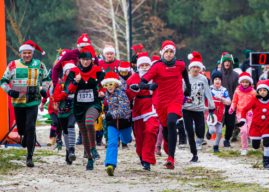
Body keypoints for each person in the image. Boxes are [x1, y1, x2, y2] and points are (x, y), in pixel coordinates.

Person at [141, 40, 191, 169]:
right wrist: (149, 85)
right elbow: (142, 81)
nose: (169, 54)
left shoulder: (180, 64)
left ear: (174, 53)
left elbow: (185, 73)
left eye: (171, 52)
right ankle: (167, 144)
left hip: (175, 99)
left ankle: (171, 158)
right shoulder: (157, 66)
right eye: (167, 52)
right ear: (162, 52)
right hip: (160, 101)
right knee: (166, 127)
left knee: (171, 122)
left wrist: (188, 87)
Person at [0, 40, 48, 167]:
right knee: (22, 129)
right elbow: (3, 81)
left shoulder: (40, 65)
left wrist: (44, 89)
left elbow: (47, 79)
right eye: (24, 53)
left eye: (29, 53)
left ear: (32, 53)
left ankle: (29, 157)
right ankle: (23, 136)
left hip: (33, 101)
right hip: (18, 103)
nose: (27, 55)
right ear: (20, 54)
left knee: (30, 126)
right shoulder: (12, 65)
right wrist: (9, 91)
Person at [64, 46, 104, 170]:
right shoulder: (74, 71)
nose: (85, 62)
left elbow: (105, 83)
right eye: (83, 59)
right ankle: (90, 159)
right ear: (79, 60)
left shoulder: (97, 70)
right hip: (79, 106)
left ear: (91, 60)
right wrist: (75, 82)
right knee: (84, 133)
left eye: (87, 59)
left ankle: (93, 149)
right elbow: (67, 90)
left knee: (89, 122)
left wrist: (102, 91)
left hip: (93, 104)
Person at [126, 52, 159, 171]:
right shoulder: (133, 78)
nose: (145, 67)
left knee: (151, 131)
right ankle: (141, 154)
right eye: (142, 65)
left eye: (147, 65)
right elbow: (127, 96)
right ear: (138, 66)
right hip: (138, 108)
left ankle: (147, 159)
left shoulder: (155, 76)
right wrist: (133, 91)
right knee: (139, 136)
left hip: (152, 108)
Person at [182, 51, 215, 161]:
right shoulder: (185, 78)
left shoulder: (203, 79)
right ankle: (194, 154)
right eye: (193, 67)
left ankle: (199, 141)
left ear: (200, 68)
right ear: (189, 68)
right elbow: (180, 92)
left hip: (199, 108)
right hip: (186, 108)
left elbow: (208, 92)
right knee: (189, 131)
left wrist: (211, 105)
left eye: (197, 67)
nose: (195, 69)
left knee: (200, 131)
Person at [102, 72, 132, 176]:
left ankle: (126, 139)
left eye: (111, 84)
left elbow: (125, 109)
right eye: (107, 84)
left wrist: (112, 114)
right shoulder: (106, 93)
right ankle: (110, 164)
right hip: (112, 122)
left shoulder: (121, 93)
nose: (109, 87)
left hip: (124, 121)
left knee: (126, 139)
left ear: (116, 84)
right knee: (112, 142)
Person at [237, 80, 269, 169]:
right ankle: (258, 144)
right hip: (256, 126)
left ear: (267, 91)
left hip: (267, 126)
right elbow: (244, 109)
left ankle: (266, 161)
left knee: (267, 143)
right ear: (258, 92)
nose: (262, 92)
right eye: (261, 90)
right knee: (255, 145)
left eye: (265, 90)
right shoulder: (255, 100)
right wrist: (243, 120)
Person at [53, 60, 77, 165]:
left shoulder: (77, 82)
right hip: (62, 111)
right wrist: (66, 93)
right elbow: (56, 97)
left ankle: (72, 149)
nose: (70, 73)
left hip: (73, 109)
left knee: (71, 126)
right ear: (65, 72)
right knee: (65, 131)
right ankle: (68, 151)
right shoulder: (60, 83)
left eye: (72, 71)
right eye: (68, 71)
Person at [229, 72, 256, 155]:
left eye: (246, 82)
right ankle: (244, 148)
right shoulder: (237, 91)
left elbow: (256, 103)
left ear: (249, 82)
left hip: (251, 114)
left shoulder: (253, 92)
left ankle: (249, 139)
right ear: (240, 82)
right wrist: (232, 108)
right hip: (240, 114)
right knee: (243, 131)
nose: (244, 83)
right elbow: (234, 101)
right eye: (243, 82)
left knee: (249, 130)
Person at [206, 71, 231, 152]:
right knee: (213, 130)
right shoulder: (209, 89)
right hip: (211, 113)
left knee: (219, 132)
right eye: (215, 79)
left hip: (220, 113)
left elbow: (229, 102)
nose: (217, 81)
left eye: (219, 79)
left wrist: (222, 99)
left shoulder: (224, 90)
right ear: (213, 80)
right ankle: (209, 132)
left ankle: (216, 146)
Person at [220, 52, 239, 147]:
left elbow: (237, 90)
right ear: (222, 63)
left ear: (231, 63)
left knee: (230, 124)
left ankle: (227, 139)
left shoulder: (236, 75)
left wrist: (235, 103)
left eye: (229, 61)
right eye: (225, 61)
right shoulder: (218, 73)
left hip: (231, 103)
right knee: (218, 122)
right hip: (219, 103)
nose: (227, 63)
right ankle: (211, 134)